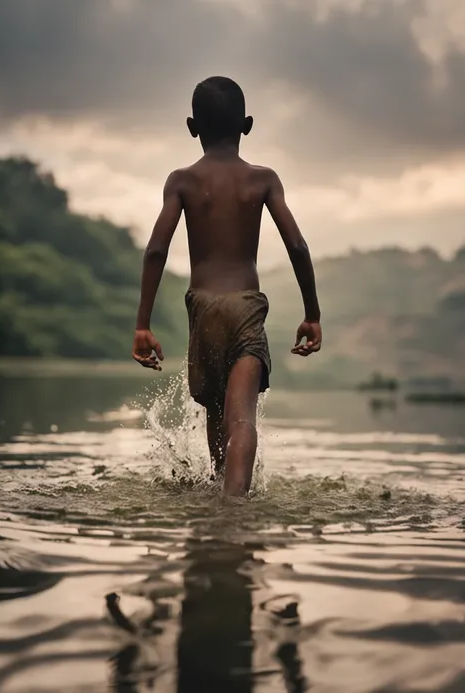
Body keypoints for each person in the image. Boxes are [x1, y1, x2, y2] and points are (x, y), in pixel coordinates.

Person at [132, 76, 321, 496]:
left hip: (202, 310)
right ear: (247, 125)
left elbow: (155, 251)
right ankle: (233, 512)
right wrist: (312, 313)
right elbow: (298, 246)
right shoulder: (263, 179)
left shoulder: (181, 181)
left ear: (191, 126)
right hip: (245, 310)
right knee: (241, 420)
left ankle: (219, 501)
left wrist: (143, 323)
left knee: (217, 415)